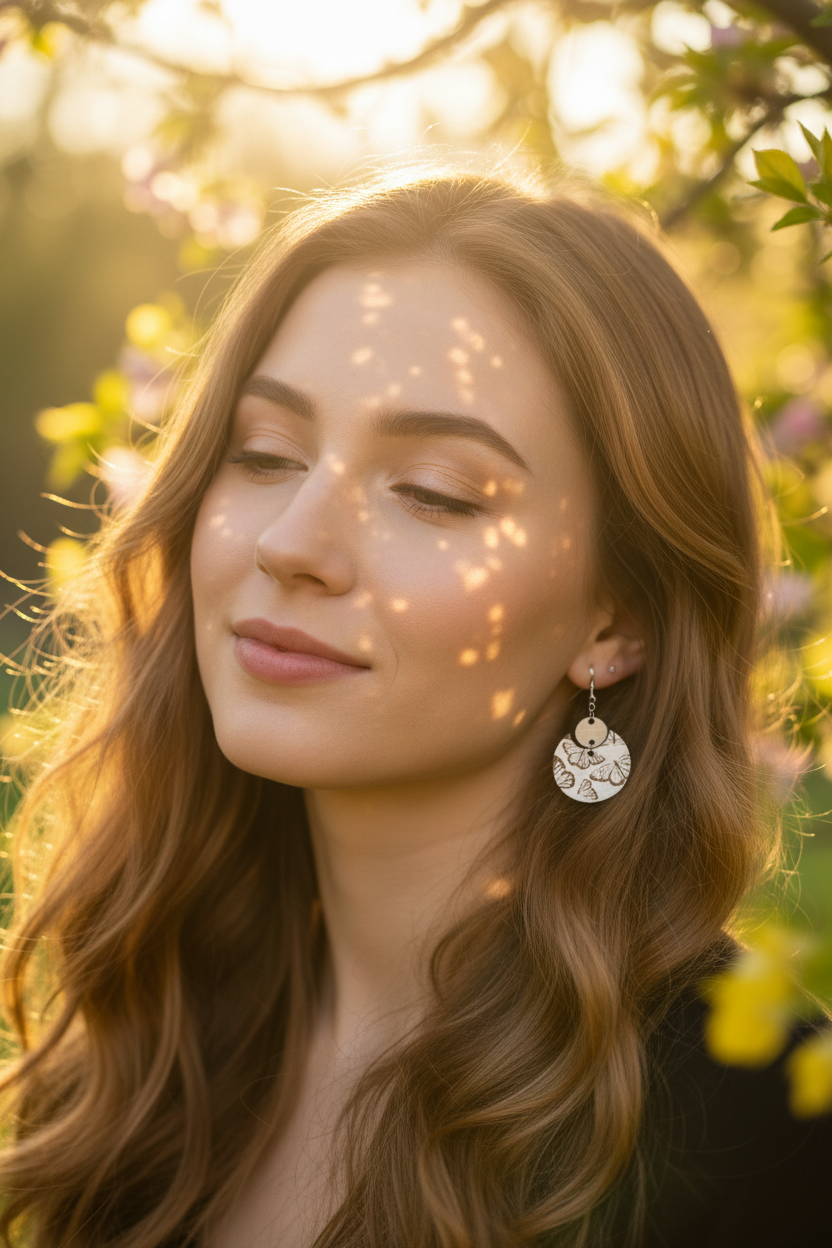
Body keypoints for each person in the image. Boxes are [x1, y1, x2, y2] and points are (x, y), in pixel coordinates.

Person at [0, 169, 829, 1248]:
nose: (291, 540)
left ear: (615, 620)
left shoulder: (766, 1142)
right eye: (264, 455)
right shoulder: (152, 1047)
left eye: (434, 490)